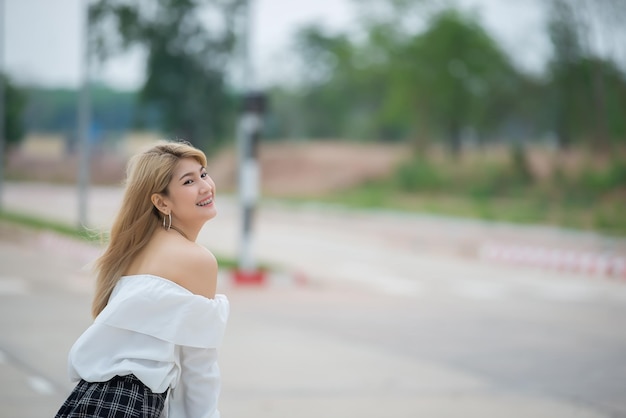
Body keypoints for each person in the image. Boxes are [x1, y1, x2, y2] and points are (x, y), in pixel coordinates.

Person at [55, 141, 229, 418]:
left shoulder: (136, 248)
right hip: (127, 405)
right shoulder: (196, 260)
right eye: (188, 181)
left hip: (85, 401)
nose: (206, 186)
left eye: (203, 174)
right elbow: (198, 370)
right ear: (161, 202)